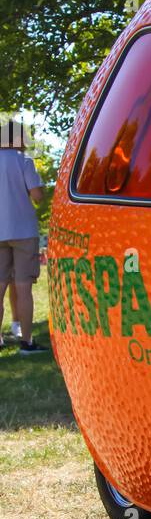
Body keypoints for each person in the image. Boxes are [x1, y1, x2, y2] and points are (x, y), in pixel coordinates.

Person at [0, 119, 47, 354]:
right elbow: (37, 196)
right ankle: (27, 343)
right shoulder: (24, 161)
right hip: (23, 232)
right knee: (24, 288)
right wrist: (44, 190)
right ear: (19, 139)